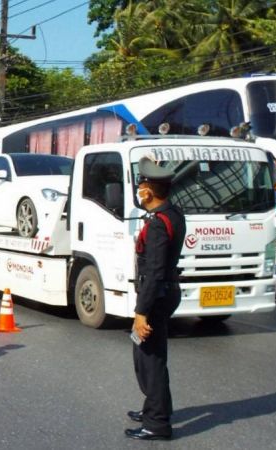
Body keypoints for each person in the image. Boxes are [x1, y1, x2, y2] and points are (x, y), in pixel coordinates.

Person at [125, 157, 185, 440]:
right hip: (164, 292)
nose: (139, 191)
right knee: (146, 353)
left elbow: (155, 271)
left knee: (151, 359)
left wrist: (141, 312)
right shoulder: (172, 213)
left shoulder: (160, 223)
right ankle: (155, 406)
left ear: (148, 192)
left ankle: (157, 422)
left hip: (156, 295)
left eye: (142, 186)